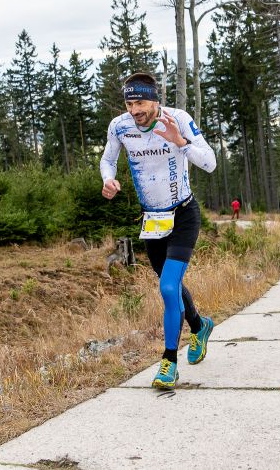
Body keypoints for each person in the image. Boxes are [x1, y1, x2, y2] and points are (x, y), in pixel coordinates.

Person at [100, 72, 218, 389]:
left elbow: (210, 163)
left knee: (167, 287)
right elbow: (108, 159)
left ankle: (168, 363)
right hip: (152, 220)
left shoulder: (178, 119)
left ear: (155, 100)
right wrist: (108, 179)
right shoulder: (120, 126)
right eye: (129, 104)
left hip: (183, 215)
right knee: (172, 284)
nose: (134, 110)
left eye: (140, 103)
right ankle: (200, 326)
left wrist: (180, 142)